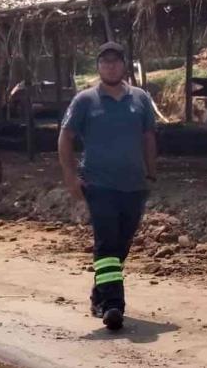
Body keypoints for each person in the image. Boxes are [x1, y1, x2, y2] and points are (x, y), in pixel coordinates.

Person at [57, 42, 157, 330]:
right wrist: (70, 176)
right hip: (98, 184)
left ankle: (100, 293)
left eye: (115, 62)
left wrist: (151, 172)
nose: (110, 66)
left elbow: (149, 136)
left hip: (135, 185)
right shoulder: (85, 100)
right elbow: (65, 138)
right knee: (107, 243)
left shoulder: (139, 99)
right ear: (98, 67)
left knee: (121, 245)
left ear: (124, 65)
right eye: (104, 62)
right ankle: (113, 305)